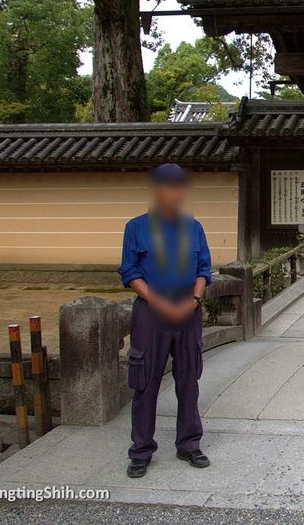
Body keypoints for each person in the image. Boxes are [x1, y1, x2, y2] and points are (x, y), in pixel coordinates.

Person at [118, 163, 213, 479]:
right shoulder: (136, 227)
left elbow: (203, 269)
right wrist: (159, 303)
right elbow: (130, 272)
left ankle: (189, 443)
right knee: (145, 381)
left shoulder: (194, 227)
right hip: (151, 310)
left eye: (179, 187)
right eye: (167, 186)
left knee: (189, 379)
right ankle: (141, 449)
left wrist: (194, 301)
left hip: (188, 308)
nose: (174, 193)